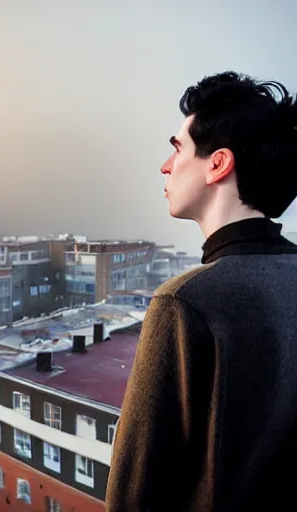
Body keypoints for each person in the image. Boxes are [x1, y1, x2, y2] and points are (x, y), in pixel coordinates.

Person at [105, 71, 297, 512]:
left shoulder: (187, 301)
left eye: (177, 149)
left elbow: (133, 498)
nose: (165, 165)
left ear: (218, 163)